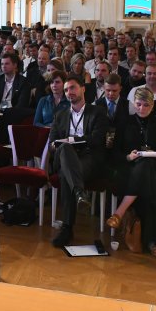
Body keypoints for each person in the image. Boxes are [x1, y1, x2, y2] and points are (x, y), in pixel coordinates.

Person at [105, 88, 156, 259]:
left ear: (152, 106)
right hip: (130, 171)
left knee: (148, 164)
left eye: (146, 105)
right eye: (139, 104)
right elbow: (115, 154)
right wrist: (128, 156)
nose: (142, 108)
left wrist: (154, 154)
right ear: (134, 104)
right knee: (150, 183)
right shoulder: (125, 123)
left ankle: (120, 212)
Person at [49, 77, 108, 248]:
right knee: (66, 150)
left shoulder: (97, 112)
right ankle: (80, 193)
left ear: (83, 89)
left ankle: (67, 229)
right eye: (66, 90)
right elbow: (52, 143)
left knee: (67, 174)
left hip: (88, 158)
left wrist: (73, 139)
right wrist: (58, 144)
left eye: (73, 88)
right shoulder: (60, 115)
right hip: (64, 156)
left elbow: (97, 139)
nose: (69, 92)